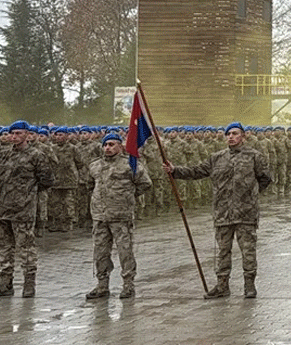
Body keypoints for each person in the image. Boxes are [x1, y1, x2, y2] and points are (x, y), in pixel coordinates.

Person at [165, 121, 273, 299]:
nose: (231, 136)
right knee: (223, 251)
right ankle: (222, 285)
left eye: (235, 133)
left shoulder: (254, 156)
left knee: (248, 251)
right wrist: (175, 170)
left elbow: (265, 178)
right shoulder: (217, 157)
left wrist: (250, 195)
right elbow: (197, 171)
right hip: (223, 213)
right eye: (228, 134)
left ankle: (249, 285)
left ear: (243, 136)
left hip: (246, 214)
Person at [84, 133, 152, 300]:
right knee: (100, 252)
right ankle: (102, 285)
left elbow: (145, 183)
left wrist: (127, 196)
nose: (108, 147)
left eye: (112, 144)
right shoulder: (95, 165)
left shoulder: (130, 164)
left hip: (120, 215)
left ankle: (128, 285)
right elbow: (88, 183)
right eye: (105, 144)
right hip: (100, 216)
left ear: (120, 146)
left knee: (124, 251)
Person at [0, 121, 56, 297]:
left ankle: (29, 282)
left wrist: (28, 192)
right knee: (4, 247)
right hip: (3, 209)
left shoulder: (36, 155)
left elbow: (47, 180)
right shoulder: (4, 155)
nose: (14, 137)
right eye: (12, 134)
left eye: (18, 133)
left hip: (23, 210)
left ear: (26, 134)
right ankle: (5, 283)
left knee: (26, 248)